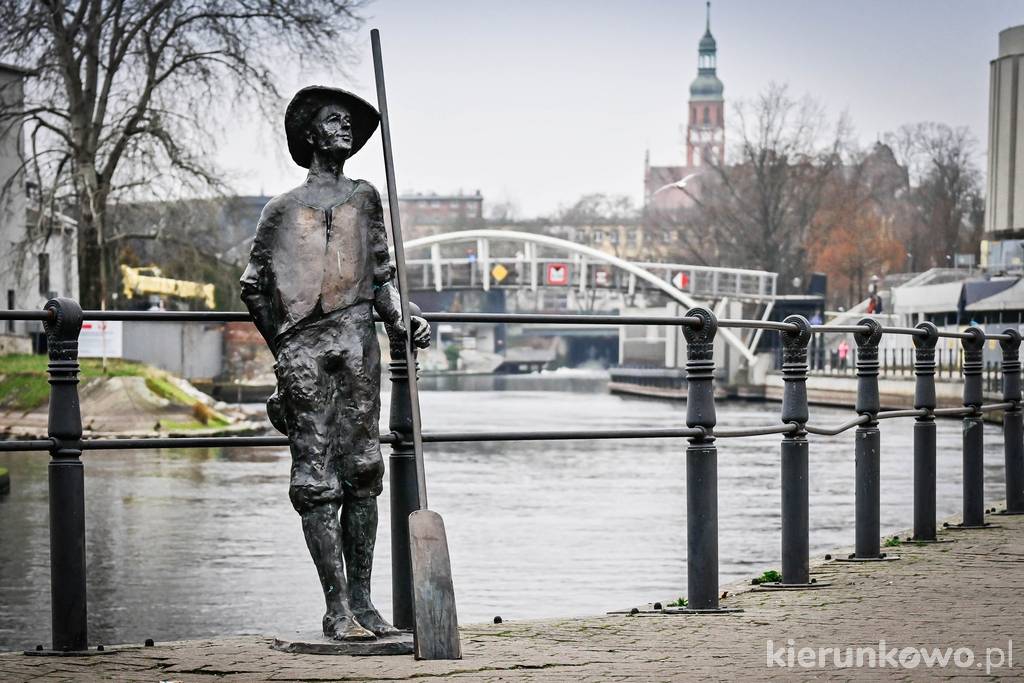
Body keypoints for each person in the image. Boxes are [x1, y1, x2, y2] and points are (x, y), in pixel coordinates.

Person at [240, 86, 430, 642]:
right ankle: (336, 607)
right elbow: (254, 286)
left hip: (358, 349)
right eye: (333, 120)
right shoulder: (280, 210)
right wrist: (284, 348)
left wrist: (402, 318)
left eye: (350, 121)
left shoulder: (366, 198)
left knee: (364, 470)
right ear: (310, 135)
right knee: (316, 479)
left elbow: (382, 276)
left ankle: (365, 604)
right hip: (304, 353)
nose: (345, 127)